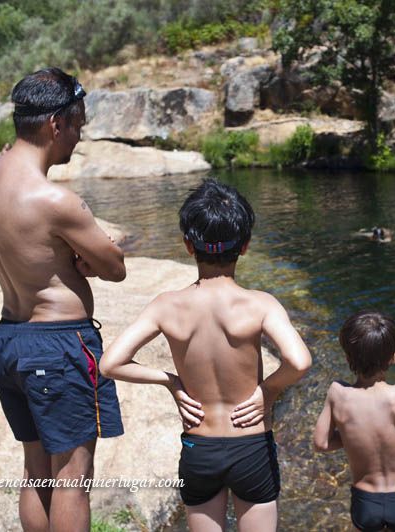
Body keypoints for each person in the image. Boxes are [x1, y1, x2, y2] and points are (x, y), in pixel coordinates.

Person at [99, 179, 312, 532]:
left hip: (200, 446)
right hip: (251, 444)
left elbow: (111, 364)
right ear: (244, 246)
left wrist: (171, 382)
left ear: (187, 246)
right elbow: (300, 362)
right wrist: (267, 391)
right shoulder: (260, 304)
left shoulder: (166, 305)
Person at [0, 67, 127, 531]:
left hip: (10, 339)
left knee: (36, 469)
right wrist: (90, 256)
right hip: (58, 346)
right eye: (78, 125)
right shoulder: (55, 200)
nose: (79, 138)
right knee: (72, 476)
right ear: (55, 124)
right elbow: (115, 268)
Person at [313, 310, 395, 531]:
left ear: (348, 358)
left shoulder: (338, 393)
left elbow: (321, 443)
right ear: (393, 357)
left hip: (366, 500)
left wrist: (352, 437)